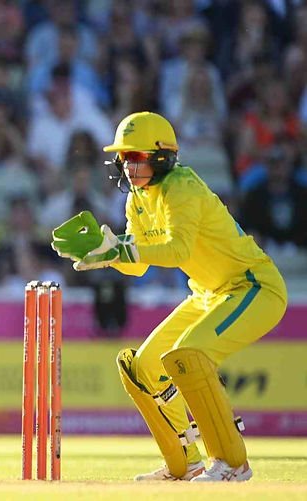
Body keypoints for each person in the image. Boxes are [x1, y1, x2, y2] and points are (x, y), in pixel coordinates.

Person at [51, 112, 287, 482]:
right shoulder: (138, 200)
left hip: (253, 287)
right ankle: (186, 462)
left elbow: (175, 251)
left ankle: (232, 463)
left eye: (137, 158)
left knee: (189, 354)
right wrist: (107, 254)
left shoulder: (183, 186)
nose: (129, 168)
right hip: (208, 293)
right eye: (124, 159)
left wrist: (123, 250)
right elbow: (139, 265)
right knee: (145, 367)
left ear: (162, 157)